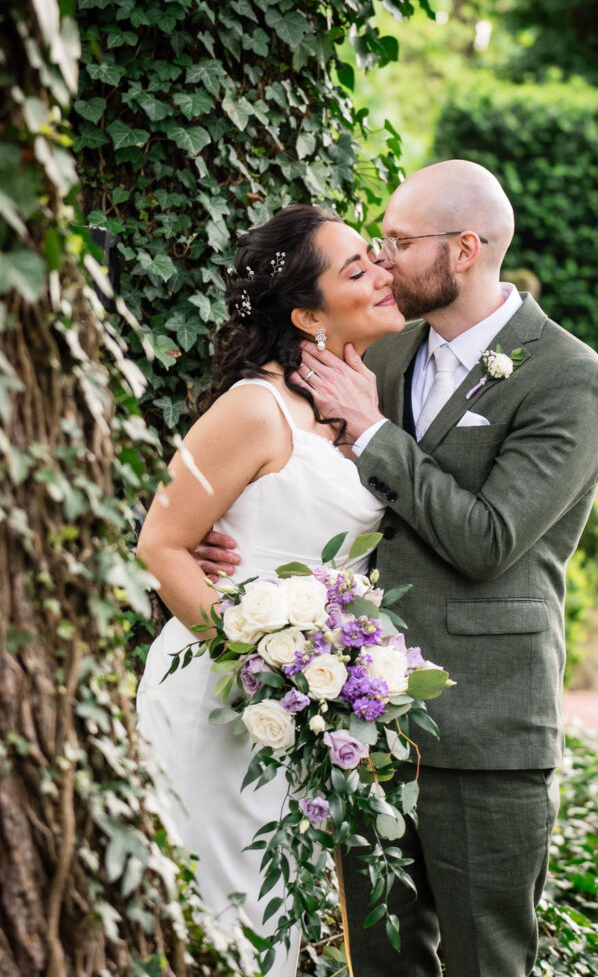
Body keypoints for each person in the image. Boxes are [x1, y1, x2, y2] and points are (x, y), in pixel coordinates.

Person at [196, 160, 598, 977]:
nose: (381, 260)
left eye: (397, 241)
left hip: (485, 729)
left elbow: (489, 538)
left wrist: (375, 435)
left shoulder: (566, 377)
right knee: (380, 964)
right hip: (359, 722)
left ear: (463, 249)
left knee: (487, 962)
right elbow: (311, 488)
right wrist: (229, 540)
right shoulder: (382, 359)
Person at [135, 203, 405, 974]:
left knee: (265, 908)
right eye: (357, 269)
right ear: (305, 314)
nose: (382, 272)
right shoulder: (254, 407)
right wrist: (258, 664)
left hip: (292, 714)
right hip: (219, 701)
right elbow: (162, 543)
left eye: (375, 256)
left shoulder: (358, 402)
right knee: (214, 907)